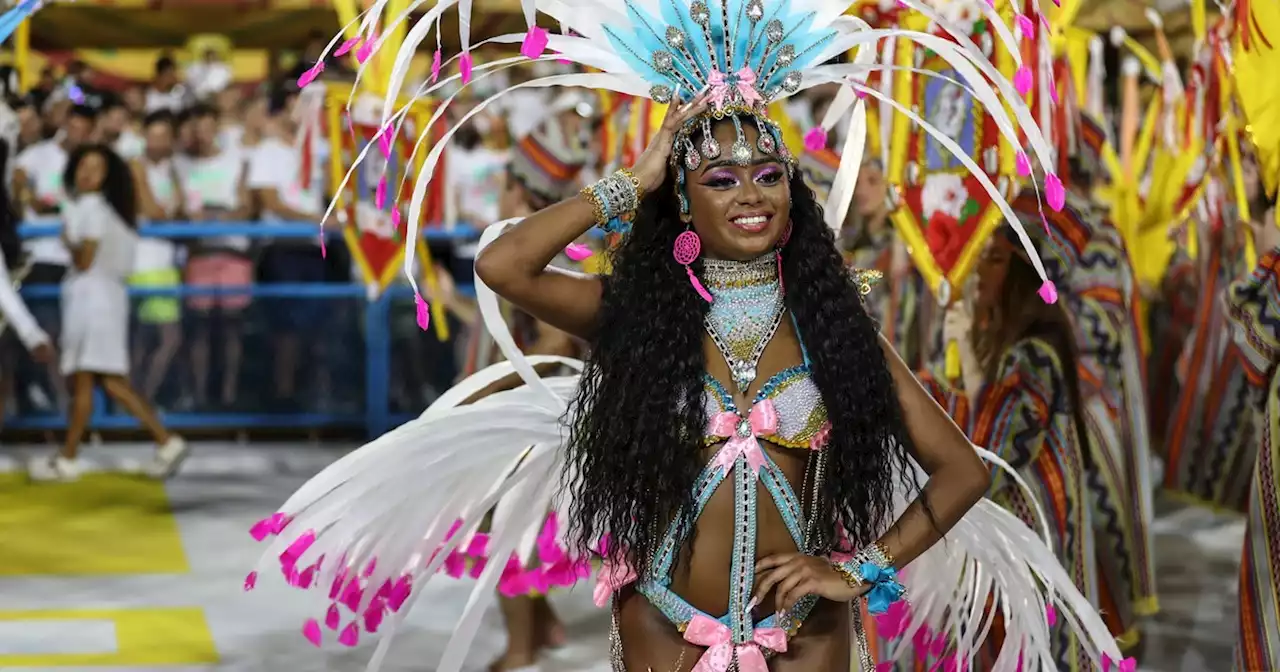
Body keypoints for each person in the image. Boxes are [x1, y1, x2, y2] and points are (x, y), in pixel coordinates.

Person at [245, 3, 1126, 670]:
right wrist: (627, 182)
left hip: (806, 637)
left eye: (770, 173)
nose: (752, 192)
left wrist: (857, 573)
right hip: (660, 619)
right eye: (720, 176)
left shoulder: (834, 323)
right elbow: (505, 266)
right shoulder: (639, 317)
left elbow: (963, 471)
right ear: (684, 200)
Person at [27, 144, 186, 482]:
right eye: (83, 165)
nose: (87, 172)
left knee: (96, 382)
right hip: (106, 299)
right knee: (104, 382)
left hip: (91, 302)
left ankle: (72, 458)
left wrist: (67, 240)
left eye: (95, 168)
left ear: (107, 176)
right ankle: (160, 442)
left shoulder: (89, 209)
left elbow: (84, 260)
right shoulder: (117, 213)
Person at [176, 103, 252, 410]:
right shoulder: (180, 165)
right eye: (197, 129)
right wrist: (219, 213)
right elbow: (183, 209)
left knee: (233, 327)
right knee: (200, 328)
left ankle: (230, 393)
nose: (202, 135)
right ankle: (200, 394)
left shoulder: (238, 161)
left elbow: (247, 206)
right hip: (200, 253)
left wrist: (212, 215)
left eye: (207, 127)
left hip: (233, 252)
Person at [128, 110, 185, 403]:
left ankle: (137, 401)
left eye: (164, 136)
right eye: (153, 136)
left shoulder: (172, 168)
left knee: (146, 338)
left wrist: (173, 213)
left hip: (165, 260)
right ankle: (140, 401)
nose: (157, 142)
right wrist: (171, 214)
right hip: (144, 262)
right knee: (161, 338)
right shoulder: (136, 166)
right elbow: (151, 209)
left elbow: (183, 207)